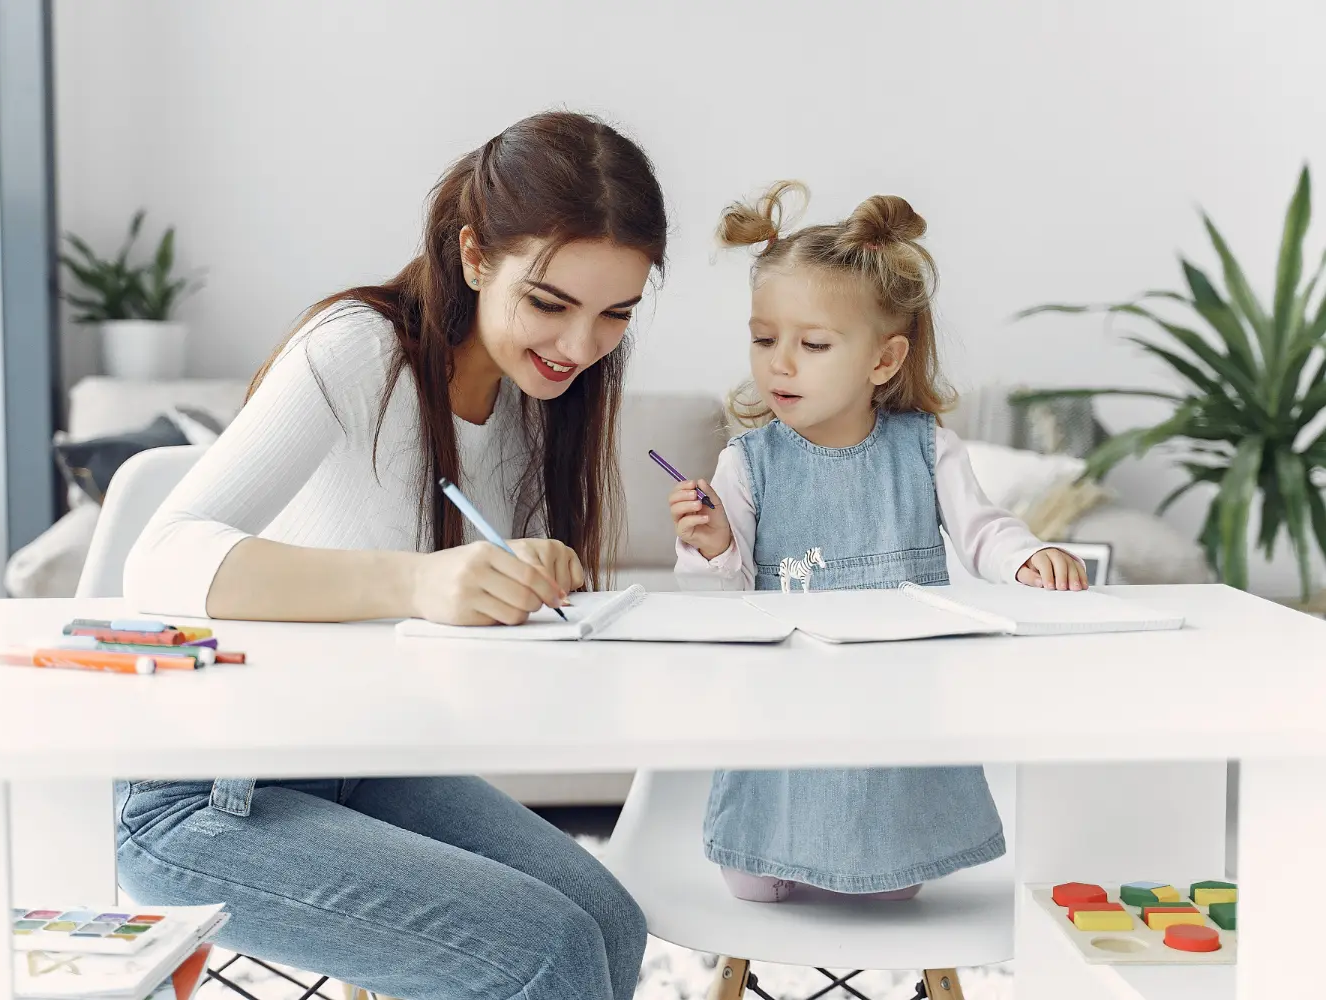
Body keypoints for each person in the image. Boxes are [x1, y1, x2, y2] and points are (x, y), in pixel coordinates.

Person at [117, 111, 668, 1000]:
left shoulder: (540, 400)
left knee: (608, 921)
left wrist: (525, 589)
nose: (579, 348)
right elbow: (161, 557)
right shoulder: (357, 351)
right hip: (210, 792)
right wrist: (420, 583)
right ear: (476, 257)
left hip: (367, 761)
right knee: (546, 951)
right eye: (550, 305)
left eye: (615, 316)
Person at [669, 181, 1087, 903]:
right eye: (764, 339)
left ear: (884, 361)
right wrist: (710, 544)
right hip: (786, 705)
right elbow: (721, 600)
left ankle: (884, 859)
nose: (780, 363)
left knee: (891, 889)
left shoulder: (927, 449)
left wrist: (1026, 557)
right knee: (749, 882)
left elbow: (984, 531)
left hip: (896, 701)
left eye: (813, 344)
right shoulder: (748, 461)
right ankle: (769, 851)